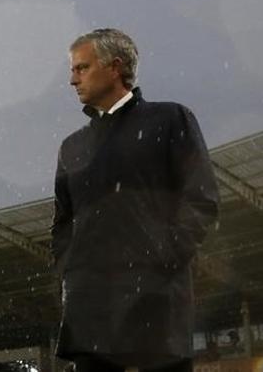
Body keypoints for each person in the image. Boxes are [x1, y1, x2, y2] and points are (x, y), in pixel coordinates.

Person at [50, 28, 220, 372]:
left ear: (114, 67)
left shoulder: (170, 119)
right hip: (90, 311)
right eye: (73, 70)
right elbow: (62, 223)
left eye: (81, 68)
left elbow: (201, 199)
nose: (72, 80)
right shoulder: (72, 147)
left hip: (155, 302)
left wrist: (160, 262)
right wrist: (70, 275)